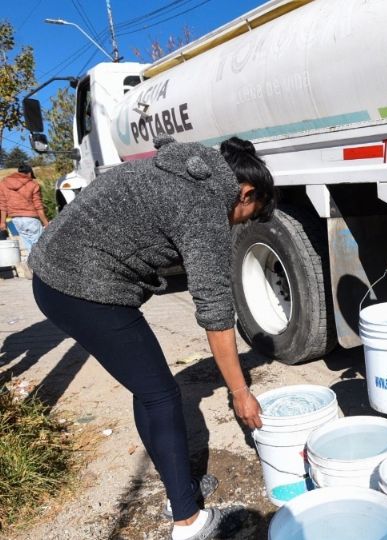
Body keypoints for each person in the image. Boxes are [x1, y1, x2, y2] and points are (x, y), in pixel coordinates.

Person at [29, 134, 275, 540]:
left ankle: (180, 493)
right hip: (80, 288)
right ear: (245, 193)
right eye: (248, 215)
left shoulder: (184, 170)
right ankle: (188, 522)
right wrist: (239, 392)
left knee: (151, 389)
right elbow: (215, 312)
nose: (241, 223)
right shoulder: (205, 205)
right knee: (160, 394)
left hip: (58, 275)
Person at [0, 164, 49, 257]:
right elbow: (38, 206)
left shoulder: (3, 184)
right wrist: (46, 223)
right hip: (31, 220)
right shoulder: (33, 185)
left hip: (16, 220)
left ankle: (34, 269)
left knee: (29, 247)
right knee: (41, 247)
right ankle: (43, 268)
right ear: (29, 173)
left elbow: (3, 205)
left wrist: (3, 222)